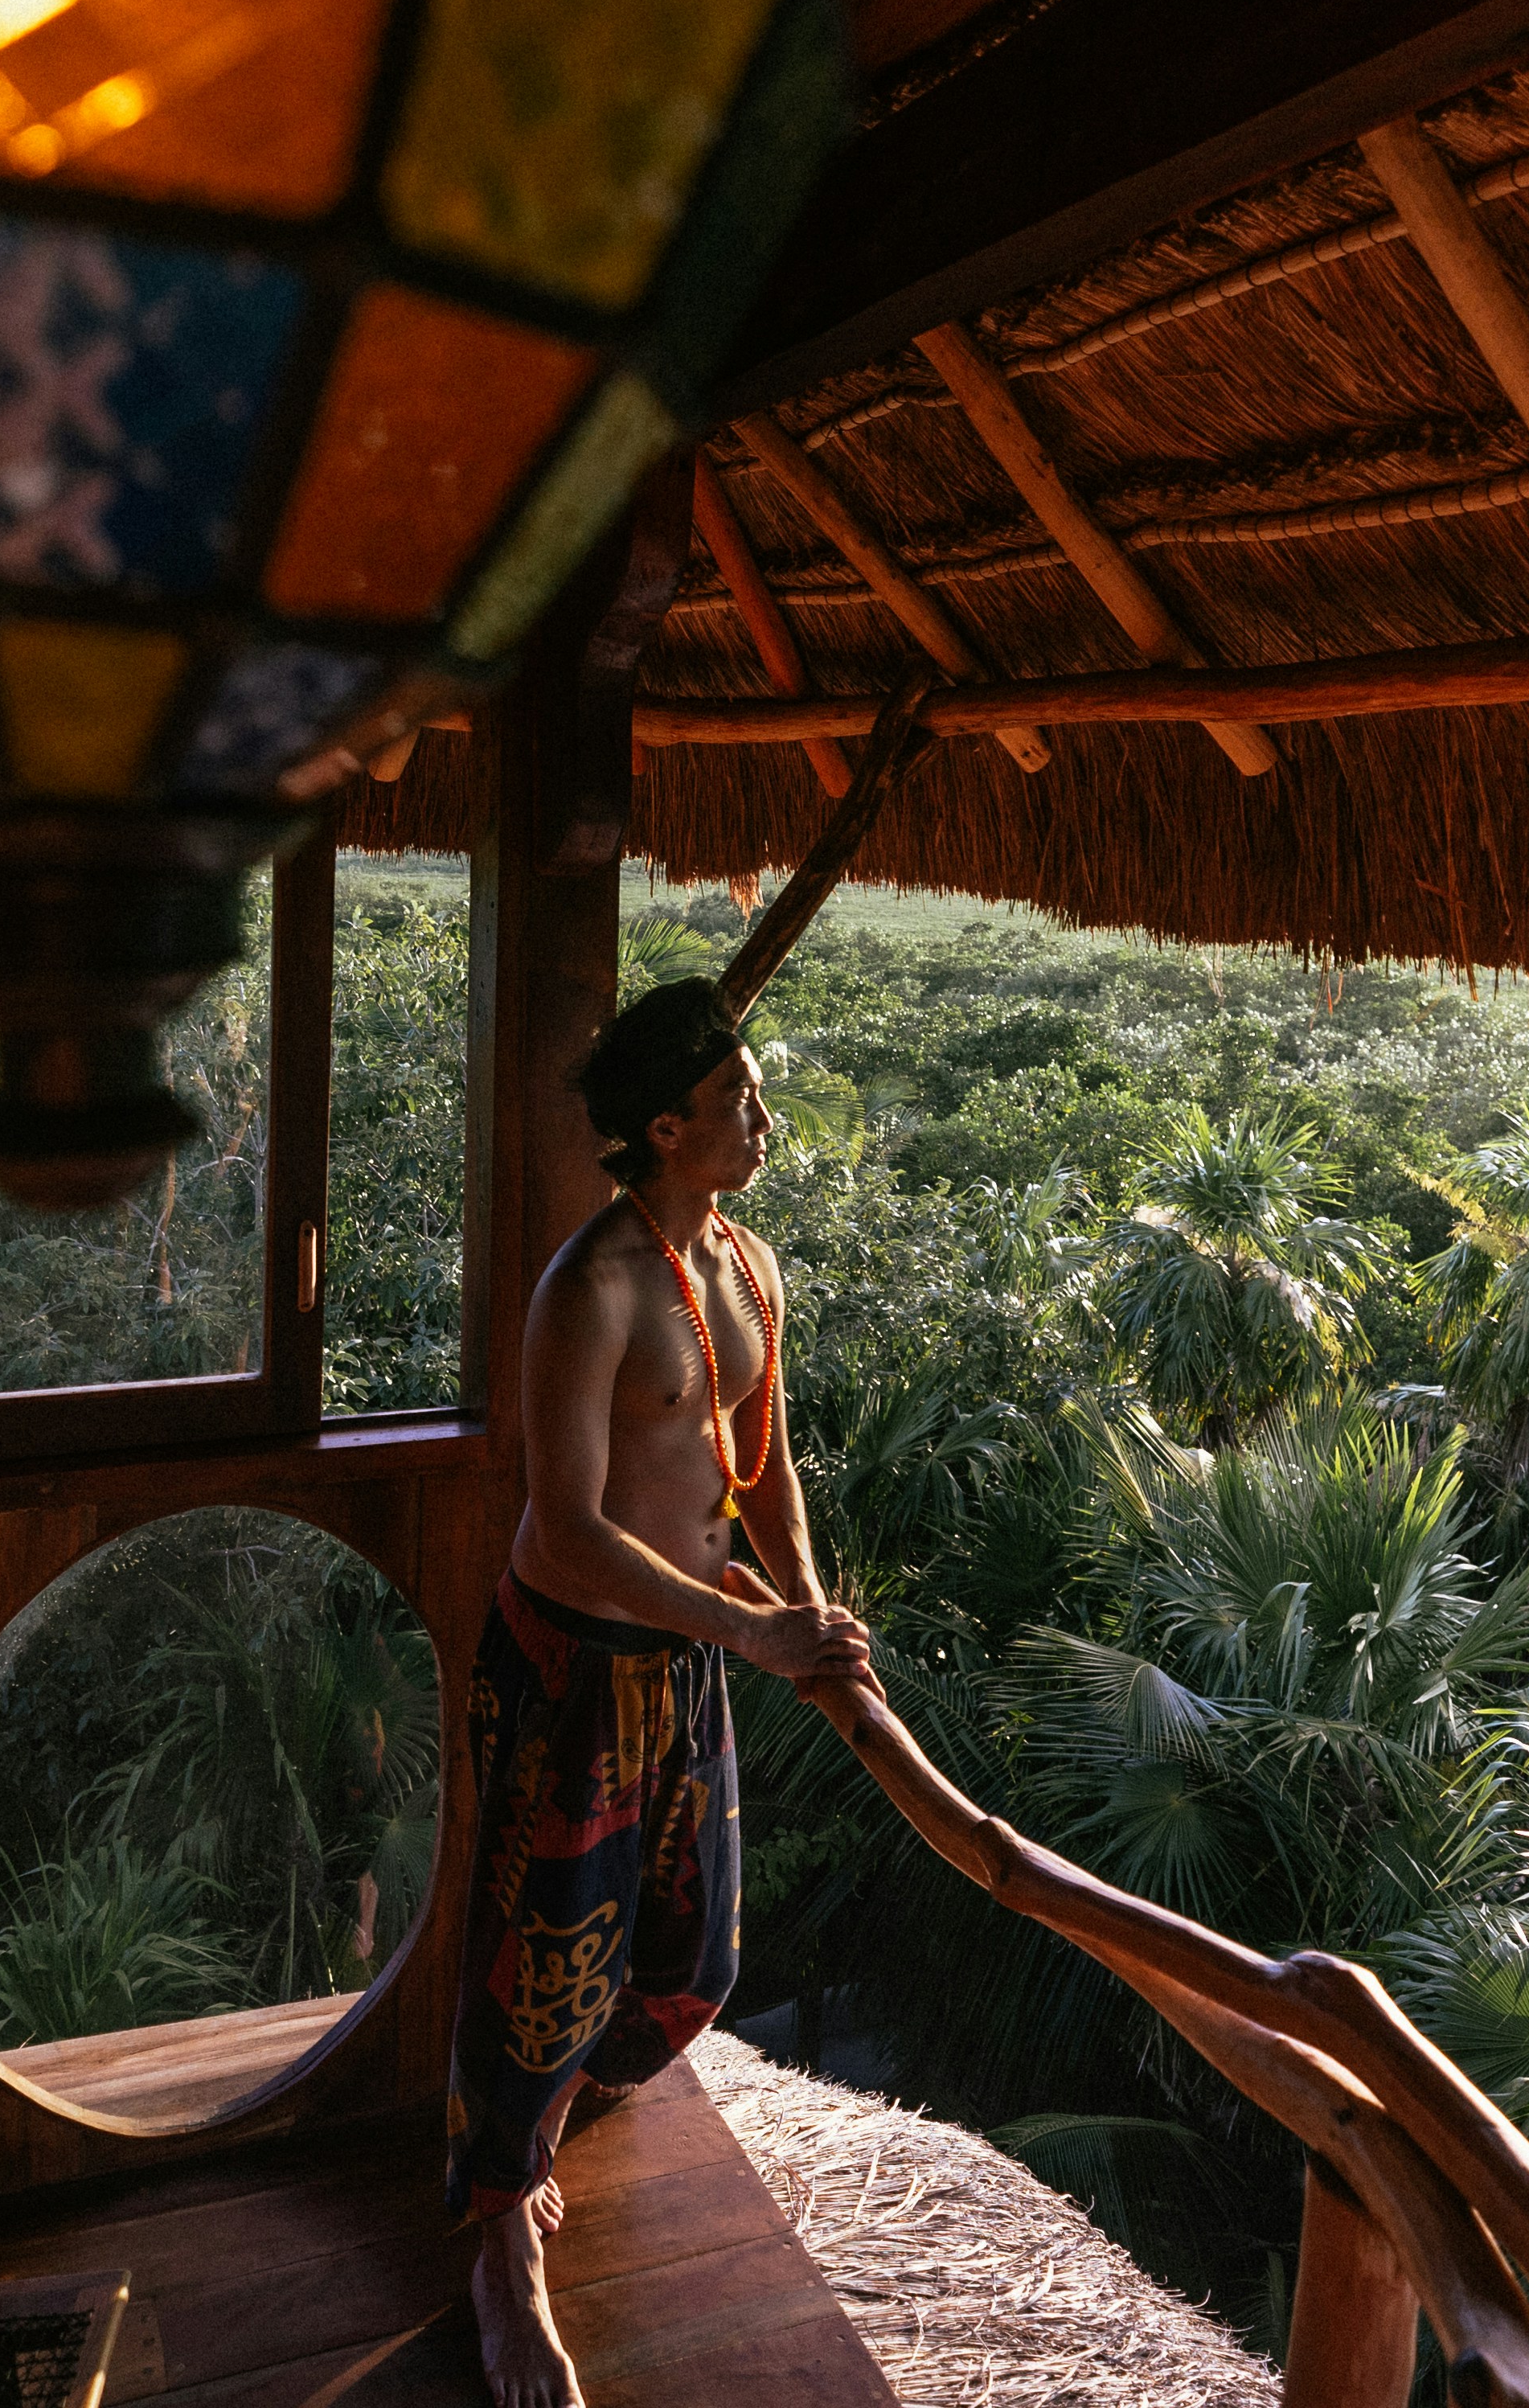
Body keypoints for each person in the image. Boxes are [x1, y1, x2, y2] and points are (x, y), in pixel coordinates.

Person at [452, 977, 871, 2408]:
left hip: (690, 1650)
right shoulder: (592, 1290)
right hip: (574, 1661)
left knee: (696, 1962)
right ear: (663, 1126)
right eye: (738, 1100)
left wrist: (798, 1604)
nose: (764, 1117)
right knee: (541, 1965)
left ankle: (531, 2127)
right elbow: (567, 1527)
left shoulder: (746, 1269)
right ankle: (498, 2237)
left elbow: (770, 1467)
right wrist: (749, 1637)